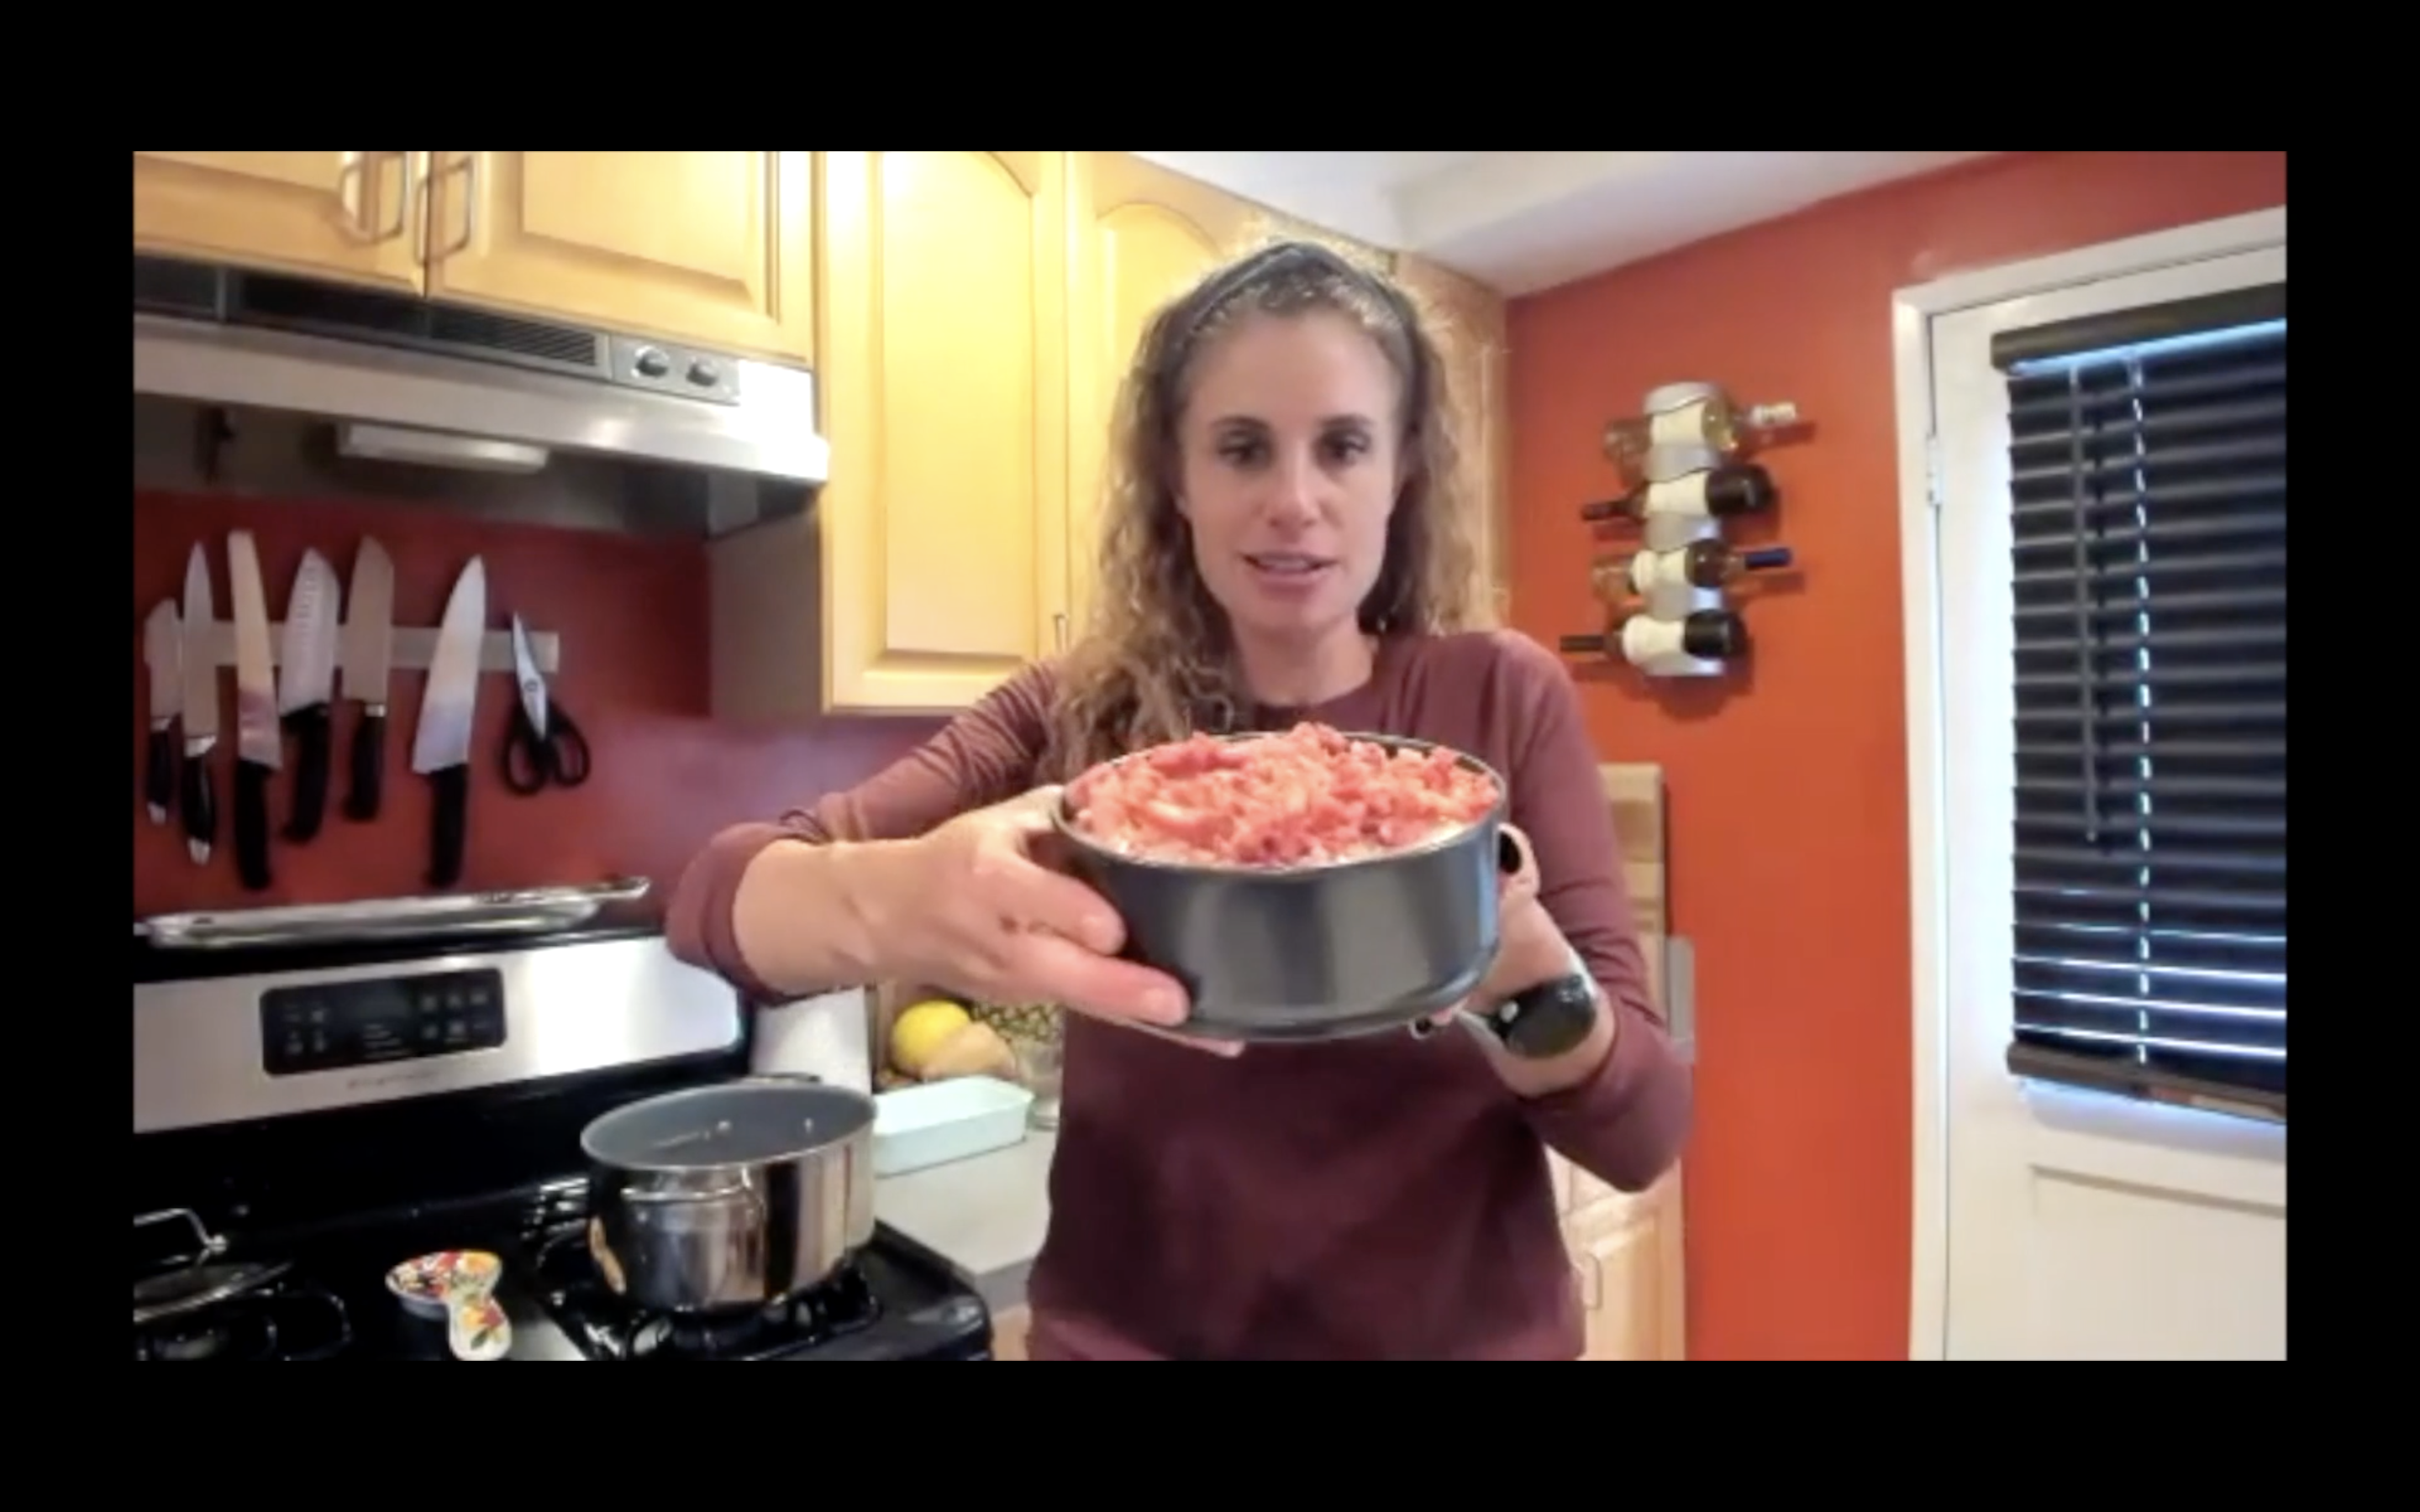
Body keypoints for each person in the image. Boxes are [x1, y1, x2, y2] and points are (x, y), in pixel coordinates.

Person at [666, 239, 1692, 1361]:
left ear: (1400, 472)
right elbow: (716, 905)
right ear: (1178, 477)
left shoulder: (1503, 696)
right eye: (1242, 449)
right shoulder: (1075, 715)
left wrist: (1514, 963)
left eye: (1342, 447)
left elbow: (1643, 1135)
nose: (1294, 501)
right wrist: (912, 903)